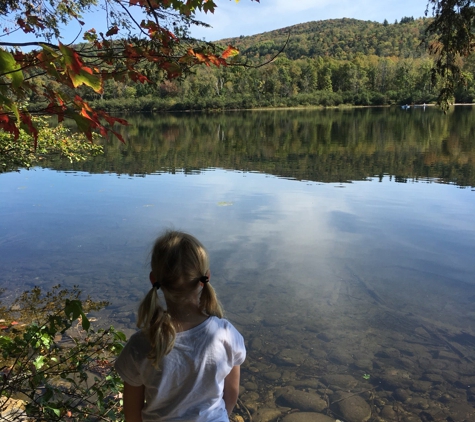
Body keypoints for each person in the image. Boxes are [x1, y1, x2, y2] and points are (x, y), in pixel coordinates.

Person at [114, 230, 246, 422]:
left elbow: (132, 414)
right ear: (205, 278)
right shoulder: (226, 334)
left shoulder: (140, 345)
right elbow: (230, 396)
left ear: (153, 280)